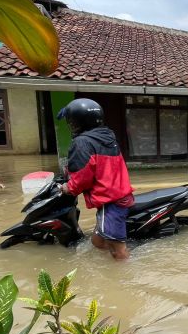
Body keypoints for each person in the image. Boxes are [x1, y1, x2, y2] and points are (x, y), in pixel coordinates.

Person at [57, 98, 134, 260]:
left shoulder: (82, 142)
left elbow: (82, 178)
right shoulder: (107, 135)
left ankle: (124, 278)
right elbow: (99, 166)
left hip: (111, 202)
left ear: (77, 122)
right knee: (97, 241)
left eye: (70, 121)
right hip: (119, 194)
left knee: (118, 251)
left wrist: (67, 187)